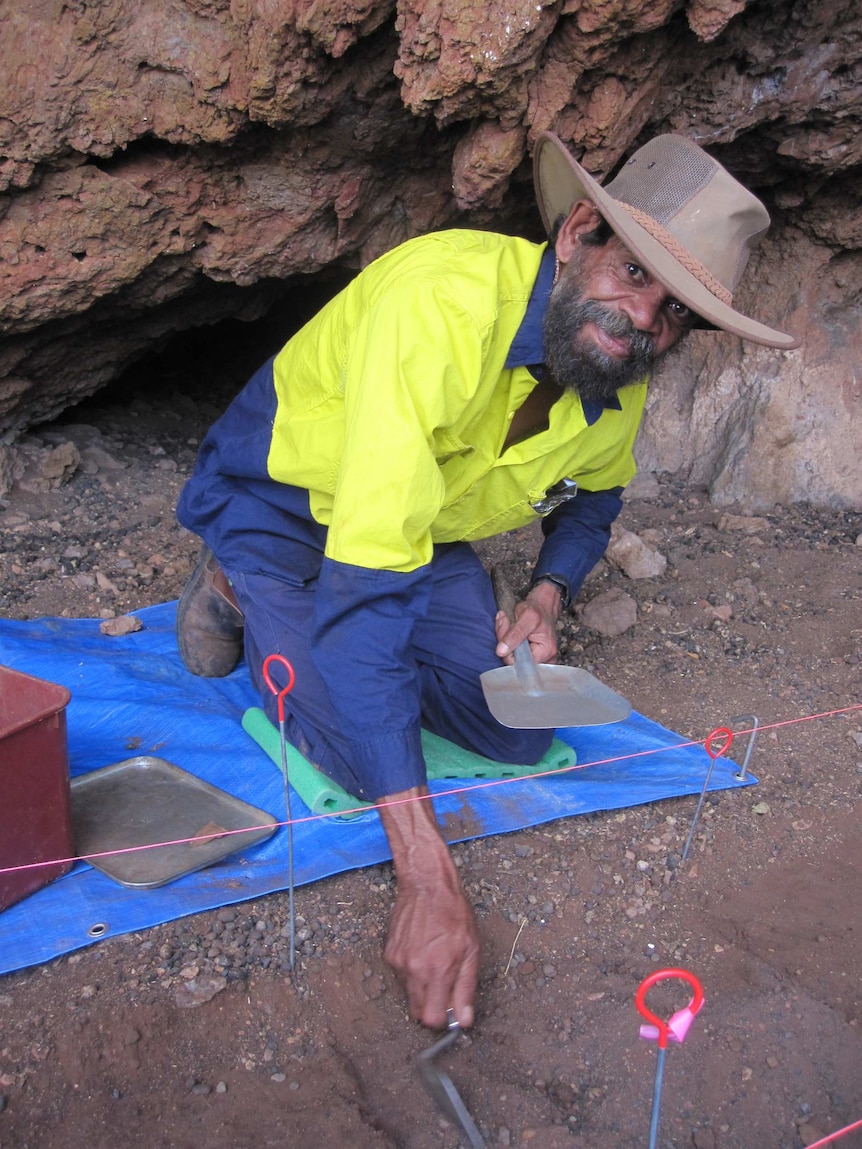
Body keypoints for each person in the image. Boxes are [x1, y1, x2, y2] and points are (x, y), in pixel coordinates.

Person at [174, 132, 797, 1029]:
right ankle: (239, 580)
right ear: (580, 230)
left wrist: (547, 593)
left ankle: (345, 644)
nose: (642, 319)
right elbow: (368, 596)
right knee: (362, 753)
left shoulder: (612, 374)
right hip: (286, 505)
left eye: (673, 311)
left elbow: (594, 498)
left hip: (415, 530)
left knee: (512, 731)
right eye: (633, 272)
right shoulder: (440, 305)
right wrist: (426, 873)